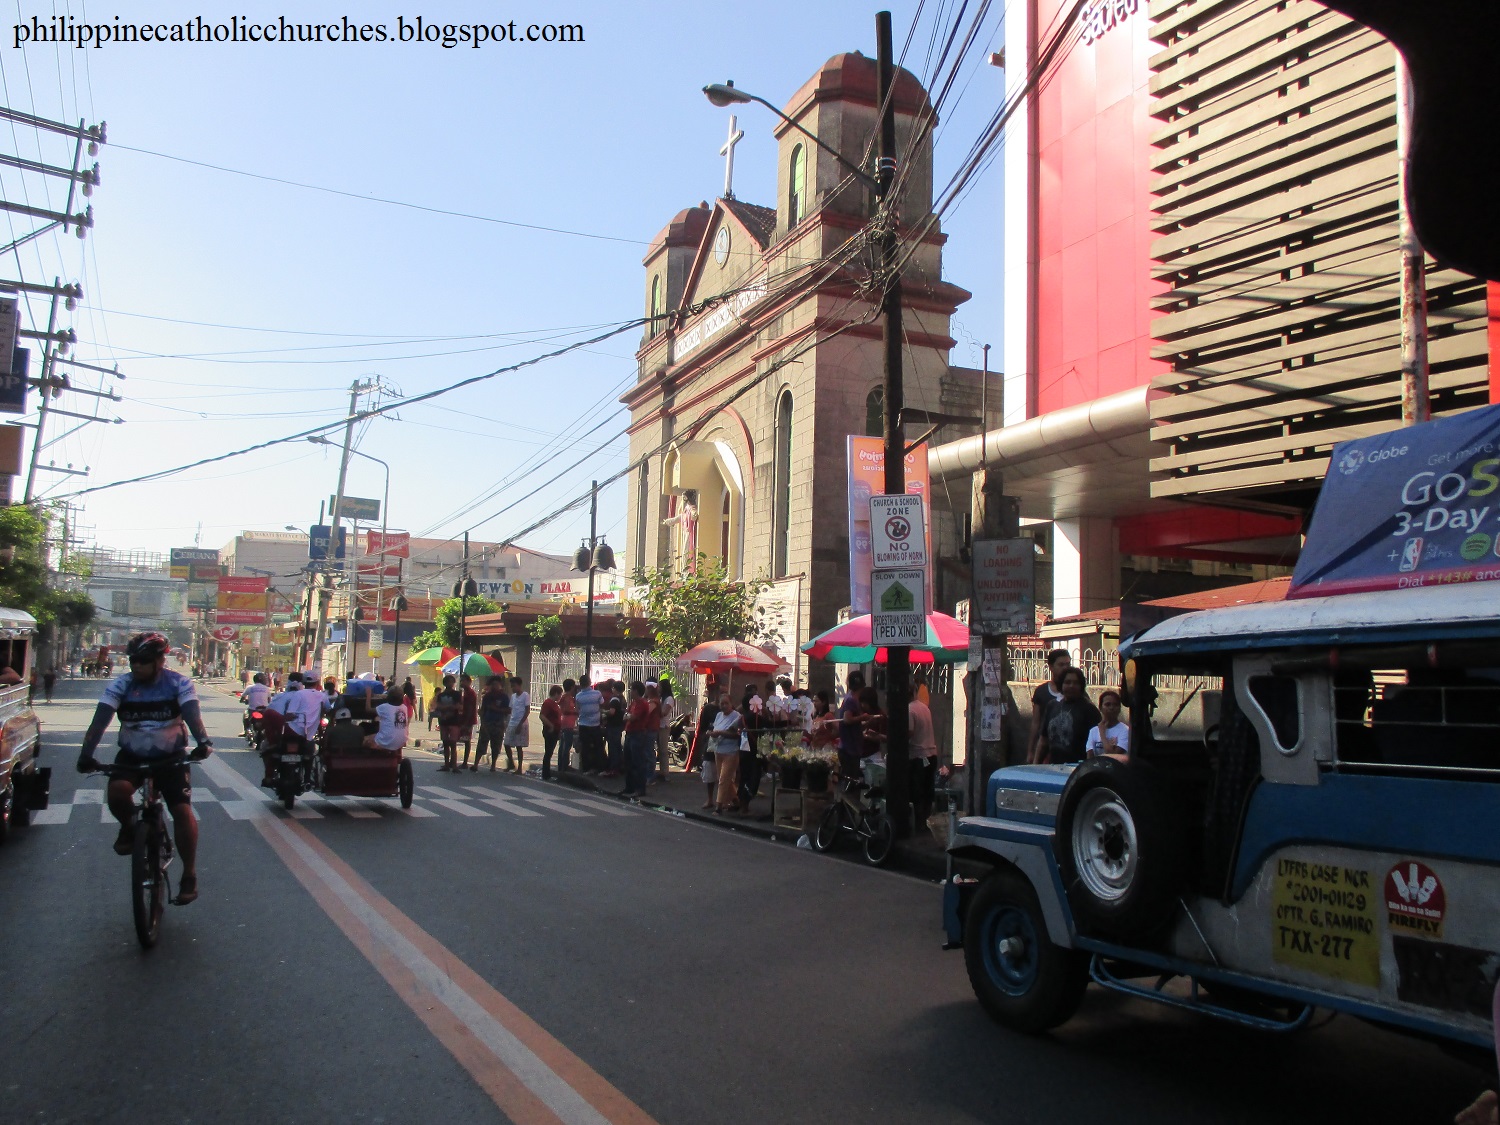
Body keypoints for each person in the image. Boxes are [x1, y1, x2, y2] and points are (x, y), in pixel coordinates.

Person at [75, 632, 212, 905]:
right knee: (116, 792)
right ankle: (128, 827)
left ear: (160, 661)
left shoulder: (178, 684)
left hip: (170, 757)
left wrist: (203, 742)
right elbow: (99, 721)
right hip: (132, 755)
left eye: (144, 661)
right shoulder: (121, 685)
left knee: (182, 810)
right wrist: (86, 755)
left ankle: (189, 875)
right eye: (133, 660)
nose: (137, 666)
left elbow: (192, 714)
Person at [266, 674, 325, 785]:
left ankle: (269, 775)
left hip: (287, 731)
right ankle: (307, 780)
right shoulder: (314, 696)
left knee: (270, 748)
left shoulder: (283, 696)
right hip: (301, 733)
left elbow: (275, 712)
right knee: (309, 751)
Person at [1040, 667, 1100, 765]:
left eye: (1076, 683)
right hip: (1053, 767)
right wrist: (1035, 764)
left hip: (1078, 768)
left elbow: (1096, 744)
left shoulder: (1089, 709)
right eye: (1067, 682)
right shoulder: (1052, 706)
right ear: (1061, 685)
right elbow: (1043, 740)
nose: (1071, 686)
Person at [1027, 649, 1072, 765]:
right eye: (1061, 665)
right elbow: (1035, 723)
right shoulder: (1041, 692)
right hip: (1045, 748)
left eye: (1068, 664)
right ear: (1051, 667)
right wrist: (1030, 751)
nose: (1065, 668)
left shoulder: (1075, 691)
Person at [908, 691, 939, 832]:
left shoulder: (909, 710)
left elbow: (909, 733)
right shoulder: (924, 707)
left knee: (917, 793)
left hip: (918, 757)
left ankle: (920, 825)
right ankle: (926, 825)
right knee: (927, 792)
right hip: (931, 755)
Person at [710, 691, 744, 814]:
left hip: (731, 752)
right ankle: (736, 800)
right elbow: (715, 728)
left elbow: (737, 735)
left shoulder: (737, 716)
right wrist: (712, 734)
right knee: (723, 778)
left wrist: (720, 733)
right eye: (721, 703)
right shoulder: (719, 715)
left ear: (731, 704)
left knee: (723, 779)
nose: (724, 706)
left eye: (726, 703)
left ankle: (719, 806)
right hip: (718, 750)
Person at [621, 680, 654, 798]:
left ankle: (640, 788)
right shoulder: (634, 703)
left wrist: (628, 716)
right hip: (630, 733)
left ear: (636, 691)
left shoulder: (641, 703)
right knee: (628, 762)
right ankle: (629, 787)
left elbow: (633, 717)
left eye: (632, 689)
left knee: (638, 762)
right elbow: (627, 715)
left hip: (638, 734)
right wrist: (628, 716)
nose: (630, 692)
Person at [475, 676, 510, 772]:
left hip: (498, 723)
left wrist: (496, 709)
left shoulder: (504, 697)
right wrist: (482, 720)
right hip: (487, 722)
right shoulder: (487, 696)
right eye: (493, 684)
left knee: (496, 745)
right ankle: (476, 764)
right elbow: (483, 710)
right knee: (482, 744)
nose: (494, 686)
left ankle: (493, 765)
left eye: (496, 684)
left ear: (500, 685)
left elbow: (508, 710)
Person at [837, 671, 867, 781]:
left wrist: (867, 721)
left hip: (851, 747)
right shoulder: (851, 700)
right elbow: (847, 719)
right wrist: (863, 717)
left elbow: (854, 724)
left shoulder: (851, 699)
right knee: (851, 782)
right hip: (849, 749)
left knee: (851, 781)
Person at [431, 674, 464, 771]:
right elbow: (437, 706)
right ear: (445, 683)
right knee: (445, 743)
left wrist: (446, 708)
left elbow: (459, 706)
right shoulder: (441, 695)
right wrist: (451, 707)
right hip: (444, 721)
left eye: (451, 682)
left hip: (454, 721)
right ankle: (446, 764)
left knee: (453, 743)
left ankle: (453, 765)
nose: (450, 684)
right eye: (448, 682)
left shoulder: (457, 694)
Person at [363, 686, 410, 751]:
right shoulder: (404, 708)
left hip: (387, 740)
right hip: (401, 741)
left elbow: (368, 709)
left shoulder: (384, 707)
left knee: (365, 739)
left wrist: (368, 695)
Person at [1087, 689, 1130, 757]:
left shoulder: (1125, 730)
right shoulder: (1093, 731)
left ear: (1119, 708)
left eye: (1115, 705)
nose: (1111, 708)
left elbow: (1113, 756)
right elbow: (1090, 757)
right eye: (1107, 704)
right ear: (1100, 707)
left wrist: (1102, 734)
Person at [575, 677, 604, 773]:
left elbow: (577, 709)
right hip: (595, 724)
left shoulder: (578, 696)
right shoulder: (597, 694)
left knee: (585, 747)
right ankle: (599, 767)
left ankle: (586, 768)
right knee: (598, 746)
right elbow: (602, 704)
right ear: (589, 682)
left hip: (583, 724)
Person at [504, 676, 530, 773]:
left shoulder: (525, 695)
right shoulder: (513, 697)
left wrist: (520, 724)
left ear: (519, 686)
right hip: (512, 722)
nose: (513, 688)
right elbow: (510, 709)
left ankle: (519, 767)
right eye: (512, 686)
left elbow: (527, 710)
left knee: (519, 746)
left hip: (521, 723)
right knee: (506, 744)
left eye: (514, 686)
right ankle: (511, 763)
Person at [602, 680, 626, 777]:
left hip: (613, 724)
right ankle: (619, 766)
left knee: (613, 747)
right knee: (617, 746)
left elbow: (612, 712)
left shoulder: (614, 699)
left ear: (615, 689)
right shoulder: (622, 699)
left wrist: (604, 712)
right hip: (620, 724)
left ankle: (613, 768)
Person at [539, 684, 563, 780]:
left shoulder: (554, 704)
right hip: (550, 731)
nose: (560, 697)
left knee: (550, 752)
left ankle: (547, 773)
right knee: (548, 752)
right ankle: (546, 774)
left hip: (555, 730)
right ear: (556, 693)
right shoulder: (548, 703)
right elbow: (542, 716)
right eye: (560, 694)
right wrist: (551, 725)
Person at [655, 680, 676, 782]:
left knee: (663, 750)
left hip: (664, 726)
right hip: (658, 725)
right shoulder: (661, 698)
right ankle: (661, 771)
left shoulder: (669, 699)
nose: (658, 688)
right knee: (659, 749)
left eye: (660, 686)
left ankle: (665, 772)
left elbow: (664, 712)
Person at [457, 674, 479, 768]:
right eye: (461, 681)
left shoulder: (470, 693)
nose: (461, 683)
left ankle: (465, 762)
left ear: (468, 682)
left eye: (463, 681)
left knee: (466, 741)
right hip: (463, 719)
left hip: (468, 720)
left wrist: (466, 722)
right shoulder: (464, 692)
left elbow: (470, 709)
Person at [558, 678, 579, 773]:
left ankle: (562, 766)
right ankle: (563, 766)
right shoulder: (567, 698)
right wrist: (575, 712)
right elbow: (566, 710)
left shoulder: (567, 697)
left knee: (563, 746)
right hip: (567, 724)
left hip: (566, 724)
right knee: (566, 746)